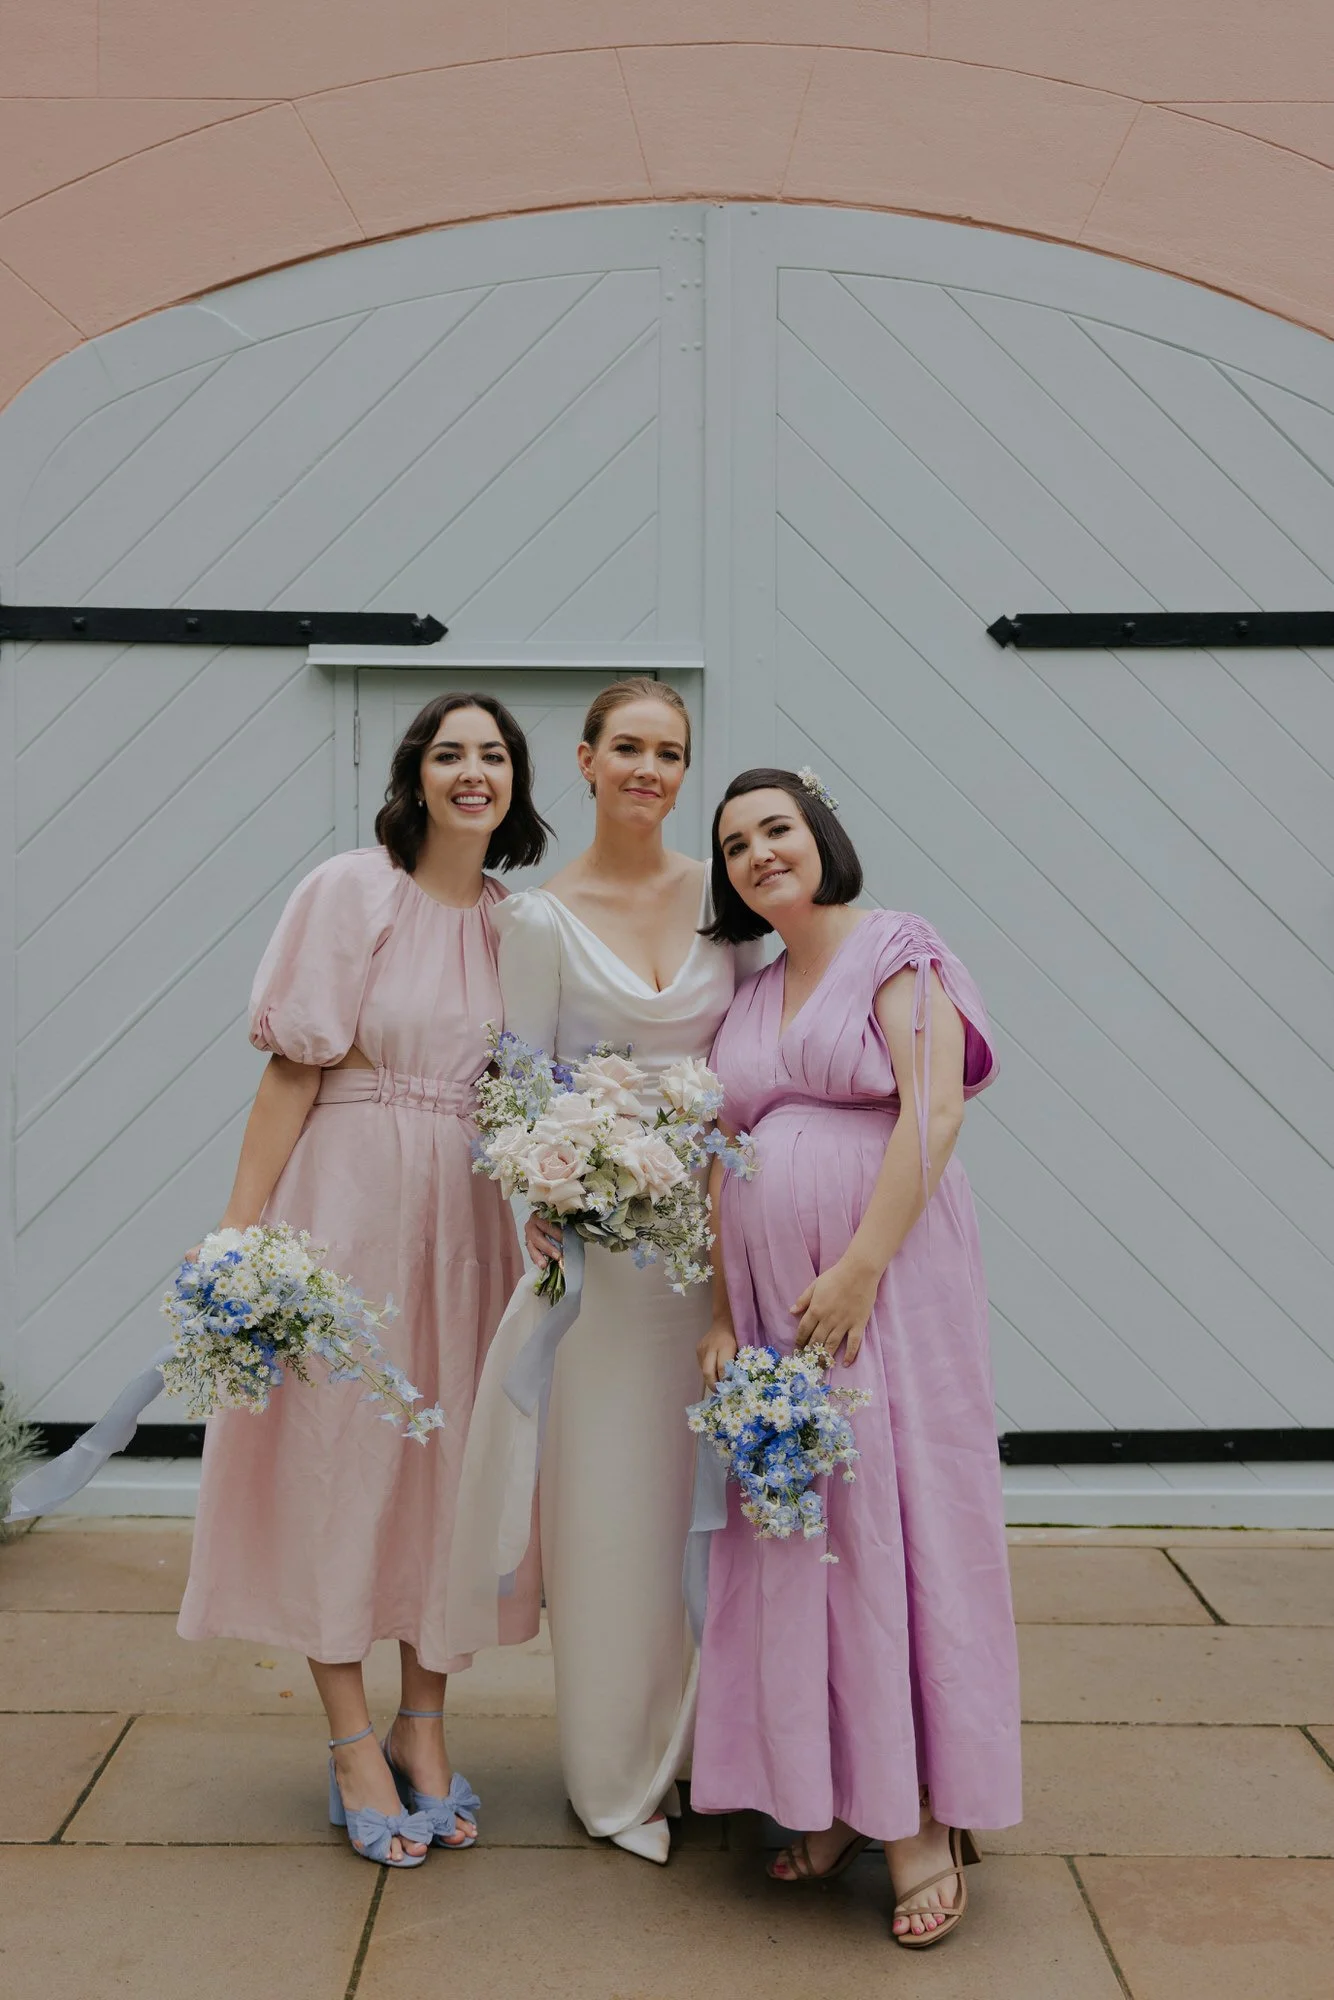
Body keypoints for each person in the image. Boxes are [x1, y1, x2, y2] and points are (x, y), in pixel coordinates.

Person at [178, 693, 549, 1866]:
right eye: (450, 753)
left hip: (473, 1224)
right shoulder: (354, 890)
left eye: (493, 754)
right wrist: (240, 1233)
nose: (472, 771)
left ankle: (423, 1724)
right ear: (415, 775)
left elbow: (528, 1097)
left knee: (453, 1473)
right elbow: (292, 1071)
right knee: (335, 1460)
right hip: (345, 1206)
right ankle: (348, 1739)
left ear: (517, 783)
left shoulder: (517, 925)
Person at [689, 767, 1021, 1946]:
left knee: (888, 1518)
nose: (758, 853)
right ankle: (827, 1793)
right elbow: (722, 1155)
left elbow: (932, 1110)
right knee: (799, 1533)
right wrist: (723, 1311)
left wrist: (862, 1264)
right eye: (734, 844)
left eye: (775, 827)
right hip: (778, 1307)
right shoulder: (751, 989)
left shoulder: (894, 945)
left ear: (820, 833)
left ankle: (918, 1822)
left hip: (883, 1284)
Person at [446, 677, 758, 1863]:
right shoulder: (536, 917)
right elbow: (513, 1083)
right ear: (581, 760)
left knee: (715, 1508)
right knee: (612, 1508)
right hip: (603, 1253)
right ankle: (617, 1771)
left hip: (715, 1246)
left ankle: (716, 1749)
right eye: (626, 746)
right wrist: (540, 1192)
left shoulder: (724, 899)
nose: (648, 768)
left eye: (668, 751)